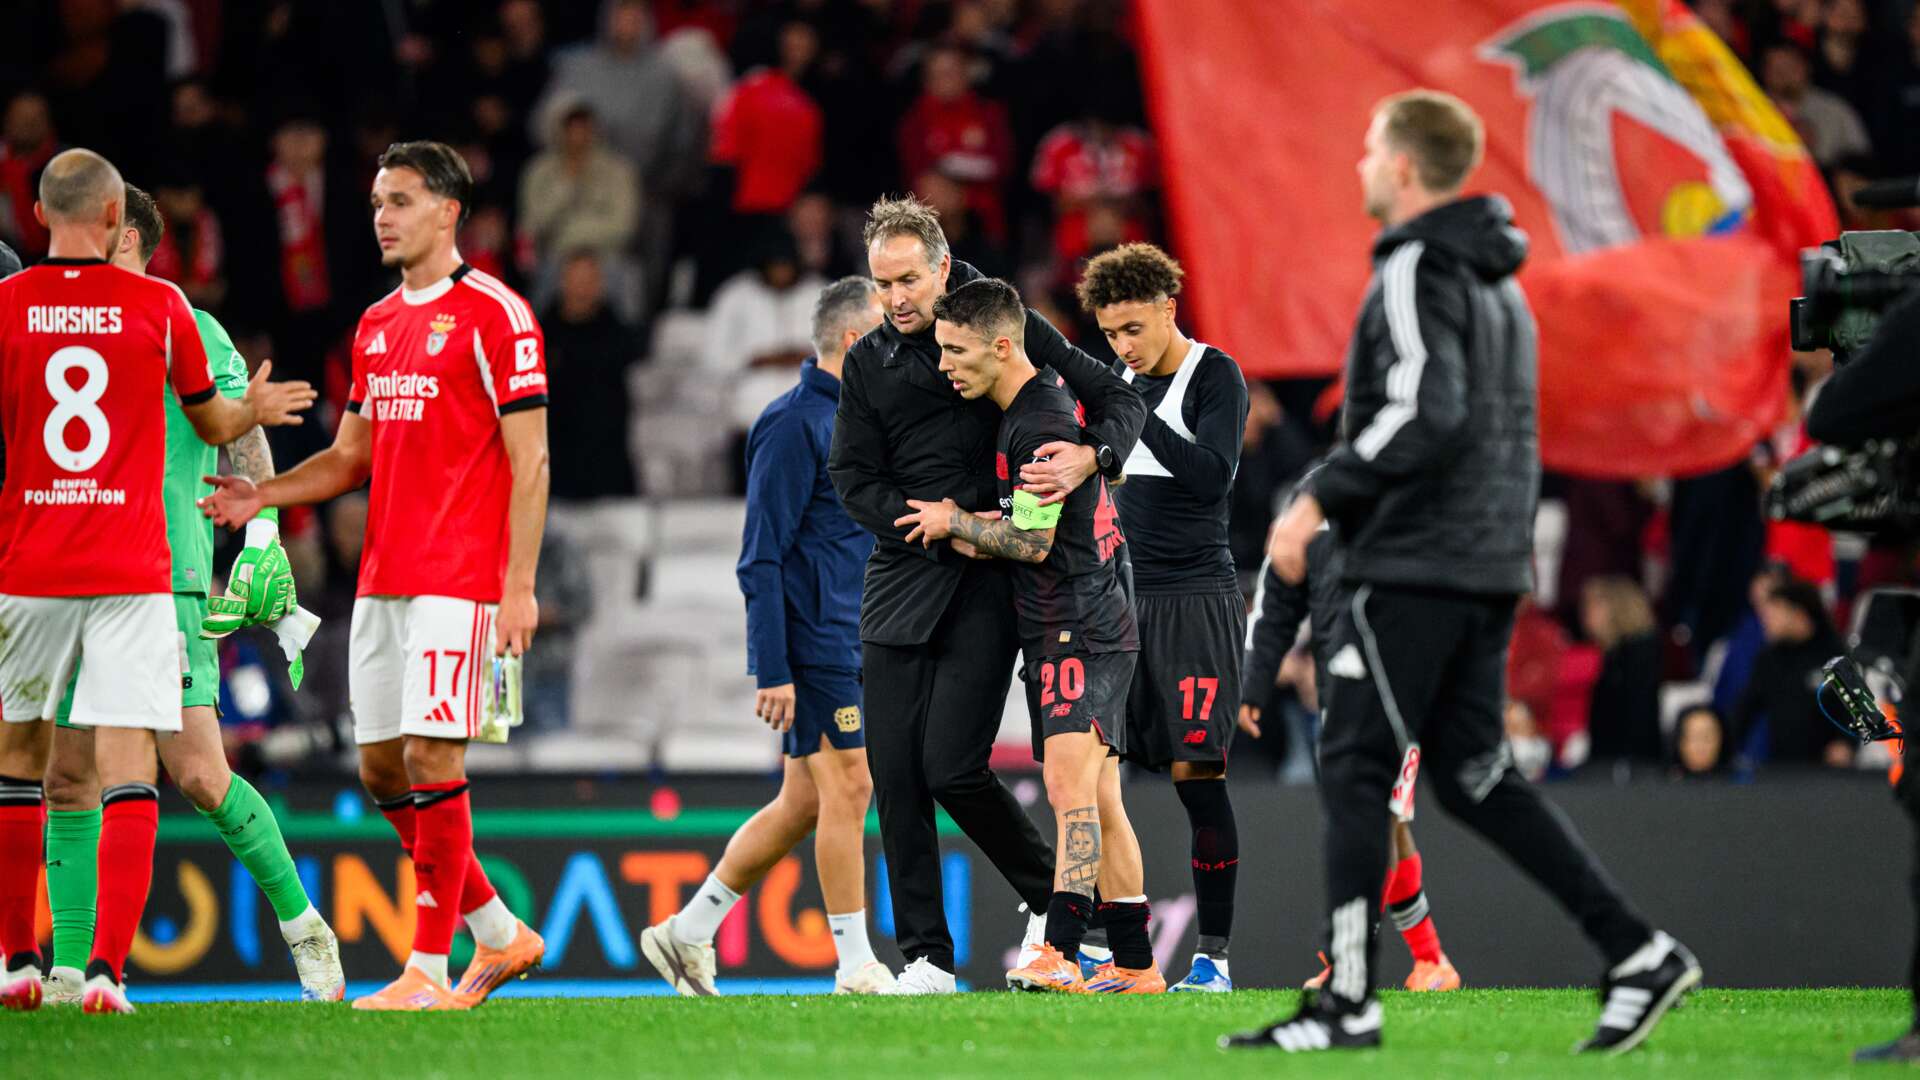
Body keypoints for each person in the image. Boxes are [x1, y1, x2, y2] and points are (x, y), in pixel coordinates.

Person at [1234, 91, 1696, 1055]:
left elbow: (1423, 409)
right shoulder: (1502, 284)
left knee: (1356, 765)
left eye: (1368, 148)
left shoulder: (1411, 264)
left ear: (1403, 166)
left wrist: (1319, 496)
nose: (1359, 165)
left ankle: (1347, 1001)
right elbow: (1497, 428)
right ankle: (1638, 950)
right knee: (1475, 776)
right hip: (1486, 561)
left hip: (1411, 561)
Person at [200, 141, 548, 1011]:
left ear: (447, 210)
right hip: (384, 576)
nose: (383, 216)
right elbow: (352, 456)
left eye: (399, 200)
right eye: (376, 202)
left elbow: (531, 461)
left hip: (461, 577)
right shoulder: (376, 324)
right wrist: (263, 492)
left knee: (434, 756)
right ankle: (500, 935)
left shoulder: (497, 315)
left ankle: (427, 970)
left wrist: (519, 586)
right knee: (383, 772)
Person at [0, 148, 313, 1014]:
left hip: (117, 572)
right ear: (109, 222)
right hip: (120, 568)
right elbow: (227, 420)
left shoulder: (35, 308)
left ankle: (301, 929)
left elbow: (235, 448)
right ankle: (83, 973)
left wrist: (263, 535)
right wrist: (253, 409)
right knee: (85, 774)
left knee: (188, 775)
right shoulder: (153, 309)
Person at [827, 195, 1145, 994]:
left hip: (997, 574)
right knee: (896, 777)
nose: (896, 300)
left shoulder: (1003, 320)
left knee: (952, 768)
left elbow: (1119, 398)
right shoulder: (868, 361)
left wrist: (1093, 458)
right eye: (882, 285)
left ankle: (1057, 911)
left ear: (942, 266)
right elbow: (850, 476)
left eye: (907, 280)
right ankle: (928, 959)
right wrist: (920, 524)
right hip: (905, 572)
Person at [894, 278, 1154, 994]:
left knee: (1071, 789)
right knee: (1100, 797)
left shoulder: (1036, 422)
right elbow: (1028, 529)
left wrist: (955, 522)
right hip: (1085, 616)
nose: (944, 364)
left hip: (1077, 622)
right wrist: (978, 526)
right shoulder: (1030, 409)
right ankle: (1135, 962)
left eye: (956, 350)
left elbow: (1033, 545)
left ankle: (1062, 951)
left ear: (1002, 345)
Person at [641, 277, 894, 996]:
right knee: (851, 786)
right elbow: (760, 556)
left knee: (802, 805)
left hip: (853, 636)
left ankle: (685, 933)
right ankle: (854, 965)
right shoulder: (792, 425)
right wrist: (772, 667)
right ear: (855, 341)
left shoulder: (861, 422)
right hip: (814, 644)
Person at [1074, 243, 1249, 992]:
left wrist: (1136, 415)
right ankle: (1117, 950)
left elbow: (1212, 477)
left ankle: (1213, 958)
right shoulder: (1117, 380)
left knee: (1195, 776)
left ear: (1169, 309)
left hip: (1195, 598)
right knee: (1092, 775)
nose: (1124, 347)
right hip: (1120, 597)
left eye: (1135, 329)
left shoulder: (1216, 376)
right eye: (1112, 334)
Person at [1240, 524, 1461, 995]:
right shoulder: (1319, 503)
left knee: (1377, 820)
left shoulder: (1395, 503)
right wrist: (1257, 682)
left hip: (1397, 692)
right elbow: (1280, 601)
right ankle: (1430, 959)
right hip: (1341, 696)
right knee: (1390, 823)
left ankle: (1351, 961)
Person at [1581, 576, 1664, 767]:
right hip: (1613, 764)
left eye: (1593, 606)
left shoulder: (1639, 655)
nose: (1586, 615)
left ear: (1617, 608)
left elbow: (1638, 718)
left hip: (1630, 767)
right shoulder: (1613, 656)